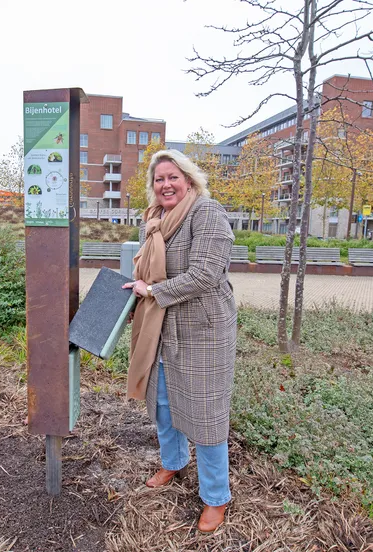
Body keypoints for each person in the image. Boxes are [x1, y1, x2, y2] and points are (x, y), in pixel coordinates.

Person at [122, 149, 237, 533]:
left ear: (188, 180)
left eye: (173, 177)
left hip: (203, 331)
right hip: (161, 326)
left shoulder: (206, 213)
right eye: (159, 179)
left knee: (206, 415)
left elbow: (205, 274)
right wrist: (138, 295)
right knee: (163, 402)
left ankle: (216, 497)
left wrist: (152, 291)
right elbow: (145, 271)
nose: (166, 184)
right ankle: (173, 462)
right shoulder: (155, 221)